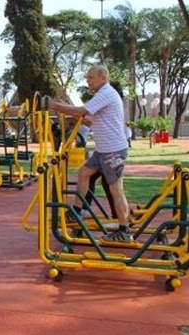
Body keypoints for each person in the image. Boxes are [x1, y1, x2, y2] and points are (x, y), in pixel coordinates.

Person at [44, 65, 131, 242]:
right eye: (87, 77)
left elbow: (80, 111)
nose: (87, 80)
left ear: (103, 78)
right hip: (103, 150)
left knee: (116, 189)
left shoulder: (106, 93)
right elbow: (89, 120)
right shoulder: (103, 95)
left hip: (112, 151)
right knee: (84, 173)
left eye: (91, 77)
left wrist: (54, 105)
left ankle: (124, 231)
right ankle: (77, 212)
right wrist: (65, 107)